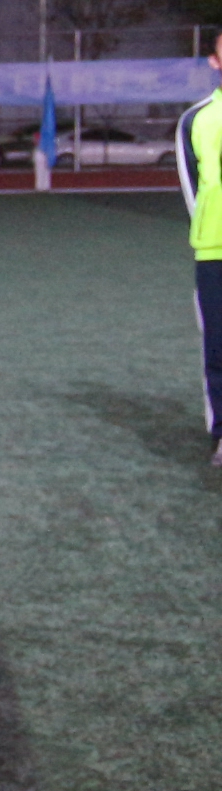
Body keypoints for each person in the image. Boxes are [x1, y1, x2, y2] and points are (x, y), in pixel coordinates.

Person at [181, 31, 222, 465]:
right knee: (219, 345)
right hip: (216, 250)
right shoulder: (197, 120)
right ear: (215, 61)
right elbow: (193, 190)